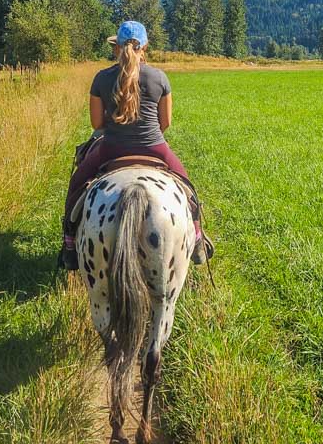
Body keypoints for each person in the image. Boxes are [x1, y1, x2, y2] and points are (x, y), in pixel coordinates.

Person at [59, 20, 214, 270]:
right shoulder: (159, 77)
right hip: (155, 147)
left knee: (77, 182)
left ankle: (69, 244)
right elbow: (166, 122)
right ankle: (197, 239)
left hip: (110, 148)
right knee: (188, 189)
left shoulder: (102, 78)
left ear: (117, 48)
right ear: (145, 47)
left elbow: (97, 123)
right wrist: (147, 138)